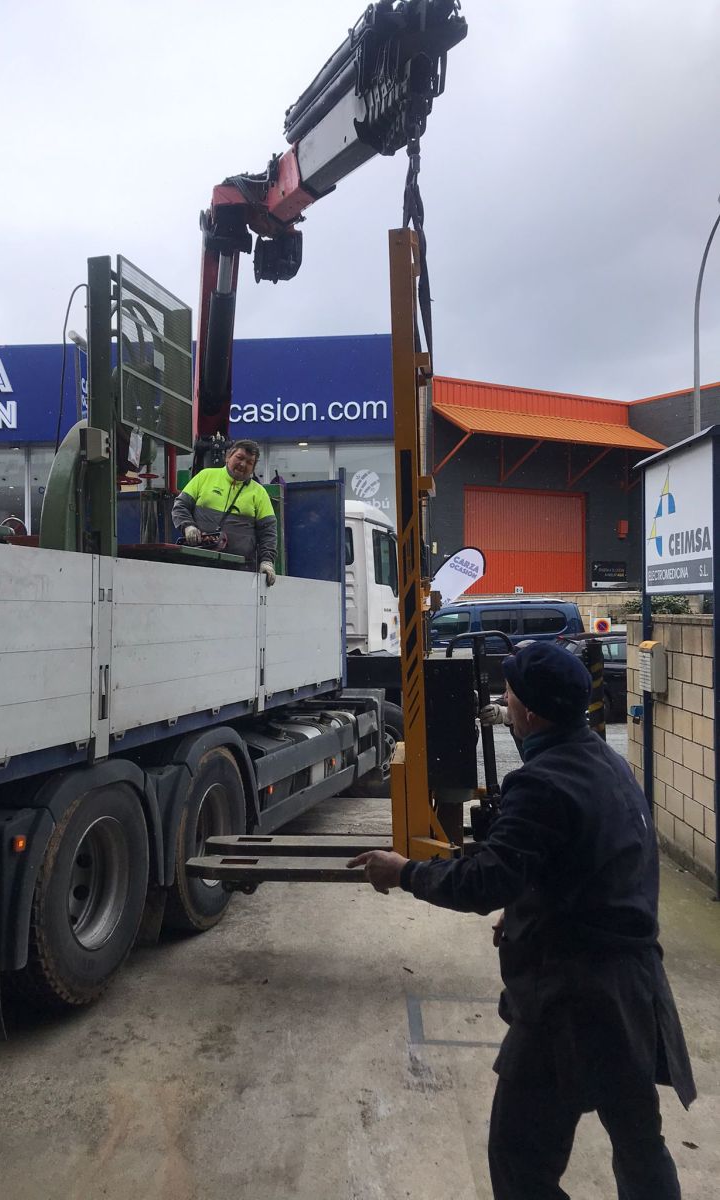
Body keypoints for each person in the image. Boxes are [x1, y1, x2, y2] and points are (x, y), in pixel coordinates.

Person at [348, 641, 695, 1200]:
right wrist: (528, 910)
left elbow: (485, 880)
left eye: (508, 694)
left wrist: (406, 871)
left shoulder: (540, 782)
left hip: (573, 1001)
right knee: (640, 1148)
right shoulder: (605, 762)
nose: (503, 703)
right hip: (635, 992)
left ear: (530, 712)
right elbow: (593, 863)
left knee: (519, 1160)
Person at [171, 440, 277, 584]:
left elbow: (268, 532)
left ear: (253, 468)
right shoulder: (205, 476)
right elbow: (180, 506)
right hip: (198, 564)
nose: (243, 464)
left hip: (240, 571)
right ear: (228, 456)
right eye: (239, 458)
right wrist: (188, 526)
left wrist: (267, 561)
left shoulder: (259, 493)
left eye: (249, 462)